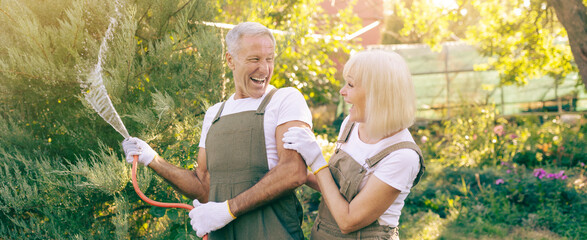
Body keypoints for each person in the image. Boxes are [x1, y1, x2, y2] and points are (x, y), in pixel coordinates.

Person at [122, 22, 312, 240]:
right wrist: (152, 159)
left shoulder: (285, 100)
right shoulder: (215, 114)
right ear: (230, 60)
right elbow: (204, 187)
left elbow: (293, 171)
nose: (264, 68)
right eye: (254, 59)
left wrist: (227, 210)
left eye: (269, 59)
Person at [283, 50, 425, 239]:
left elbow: (348, 221)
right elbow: (337, 190)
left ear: (378, 94)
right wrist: (296, 173)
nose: (342, 91)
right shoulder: (351, 124)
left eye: (350, 84)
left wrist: (316, 159)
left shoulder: (402, 156)